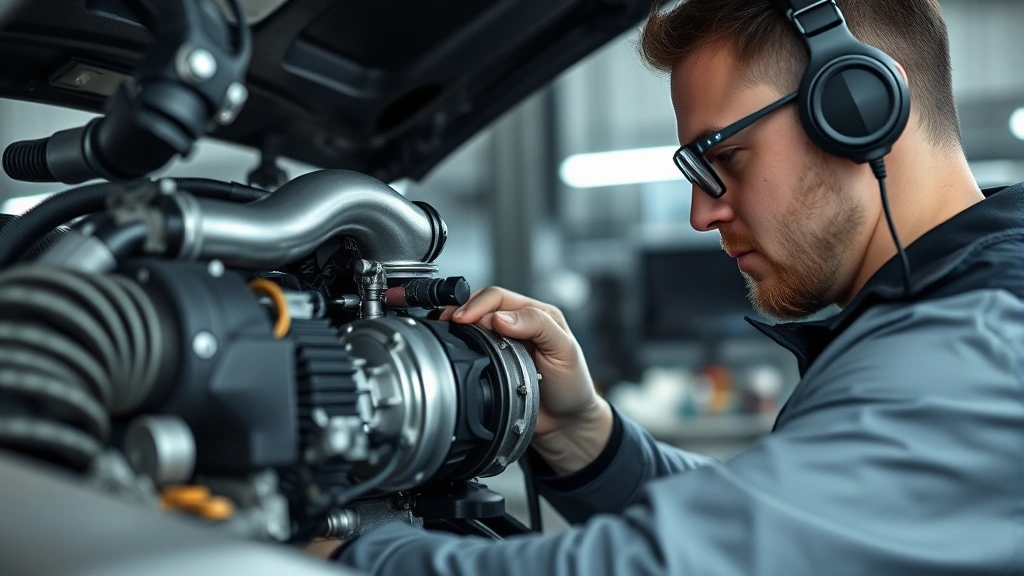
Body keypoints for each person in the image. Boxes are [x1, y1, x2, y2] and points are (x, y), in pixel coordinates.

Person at [318, 0, 1024, 573]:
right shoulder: (950, 313)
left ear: (861, 108)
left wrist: (343, 557)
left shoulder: (974, 346)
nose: (702, 213)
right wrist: (586, 438)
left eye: (727, 158)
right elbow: (773, 532)